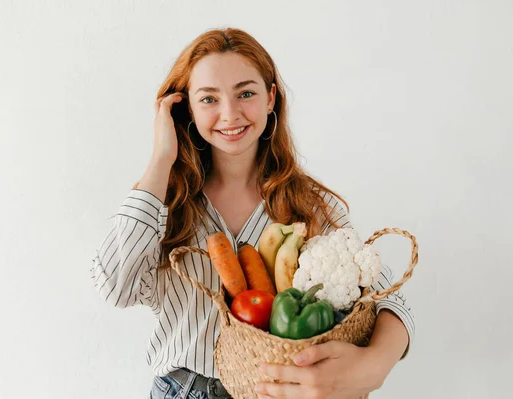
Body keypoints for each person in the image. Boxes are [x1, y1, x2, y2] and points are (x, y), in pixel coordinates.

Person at [91, 27, 415, 399]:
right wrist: (161, 159)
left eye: (246, 93)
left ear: (270, 98)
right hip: (182, 390)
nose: (230, 115)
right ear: (186, 109)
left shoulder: (308, 205)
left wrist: (372, 366)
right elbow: (116, 288)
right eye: (208, 99)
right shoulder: (165, 202)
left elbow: (390, 296)